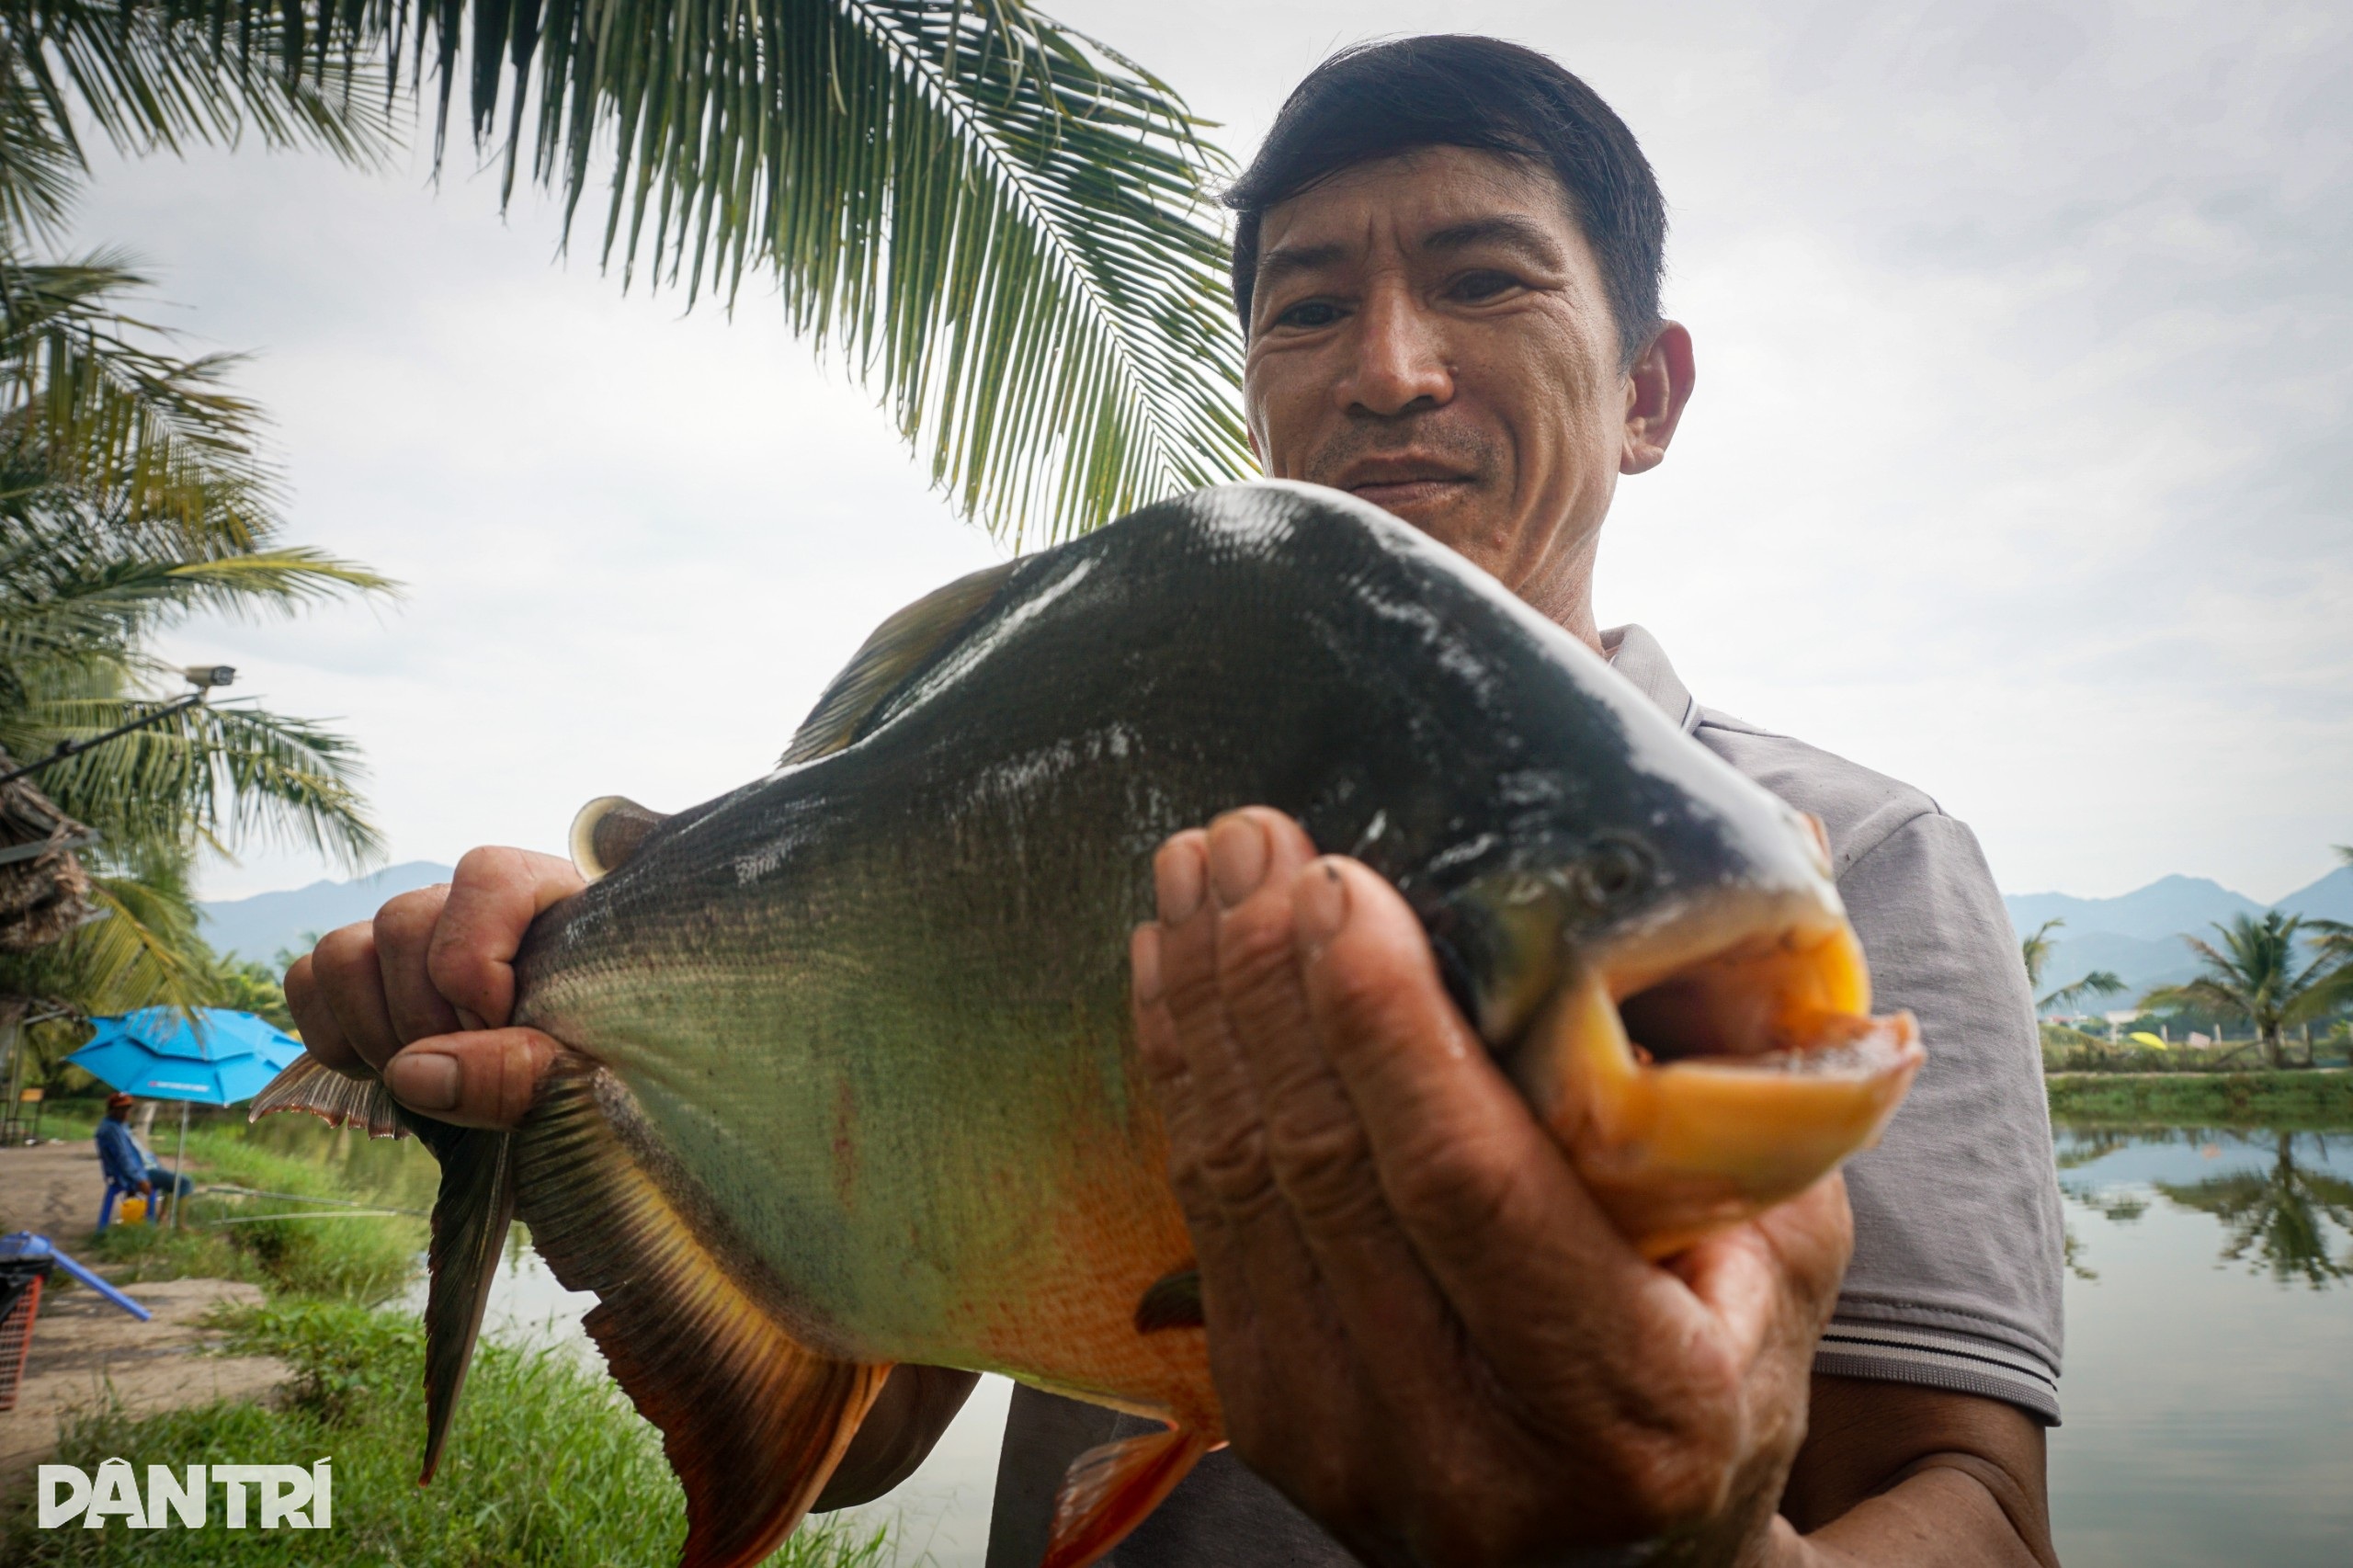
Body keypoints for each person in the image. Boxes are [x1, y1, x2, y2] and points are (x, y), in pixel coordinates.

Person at [285, 35, 2063, 1568]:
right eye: (1307, 308)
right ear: (1262, 391)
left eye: (1485, 279)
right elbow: (881, 1433)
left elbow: (1972, 1497)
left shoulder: (1869, 864)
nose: (1387, 365)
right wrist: (554, 1052)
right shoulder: (1075, 783)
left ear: (1649, 392)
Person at [95, 1093, 192, 1214]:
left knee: (170, 1180)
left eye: (128, 1109)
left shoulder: (118, 1125)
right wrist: (140, 1180)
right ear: (112, 1110)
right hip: (139, 1173)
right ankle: (181, 1224)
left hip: (144, 1167)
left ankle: (163, 1218)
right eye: (121, 1109)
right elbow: (123, 1158)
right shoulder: (112, 1130)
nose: (126, 1112)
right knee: (184, 1182)